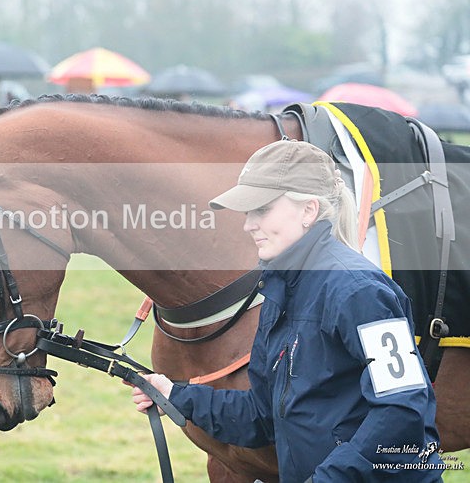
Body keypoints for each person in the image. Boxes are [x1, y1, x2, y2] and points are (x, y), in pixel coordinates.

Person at [129, 140, 443, 482]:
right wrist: (177, 395)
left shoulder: (360, 291)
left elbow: (403, 412)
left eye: (261, 210)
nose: (249, 224)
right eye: (248, 213)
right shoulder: (280, 291)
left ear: (308, 210)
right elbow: (262, 416)